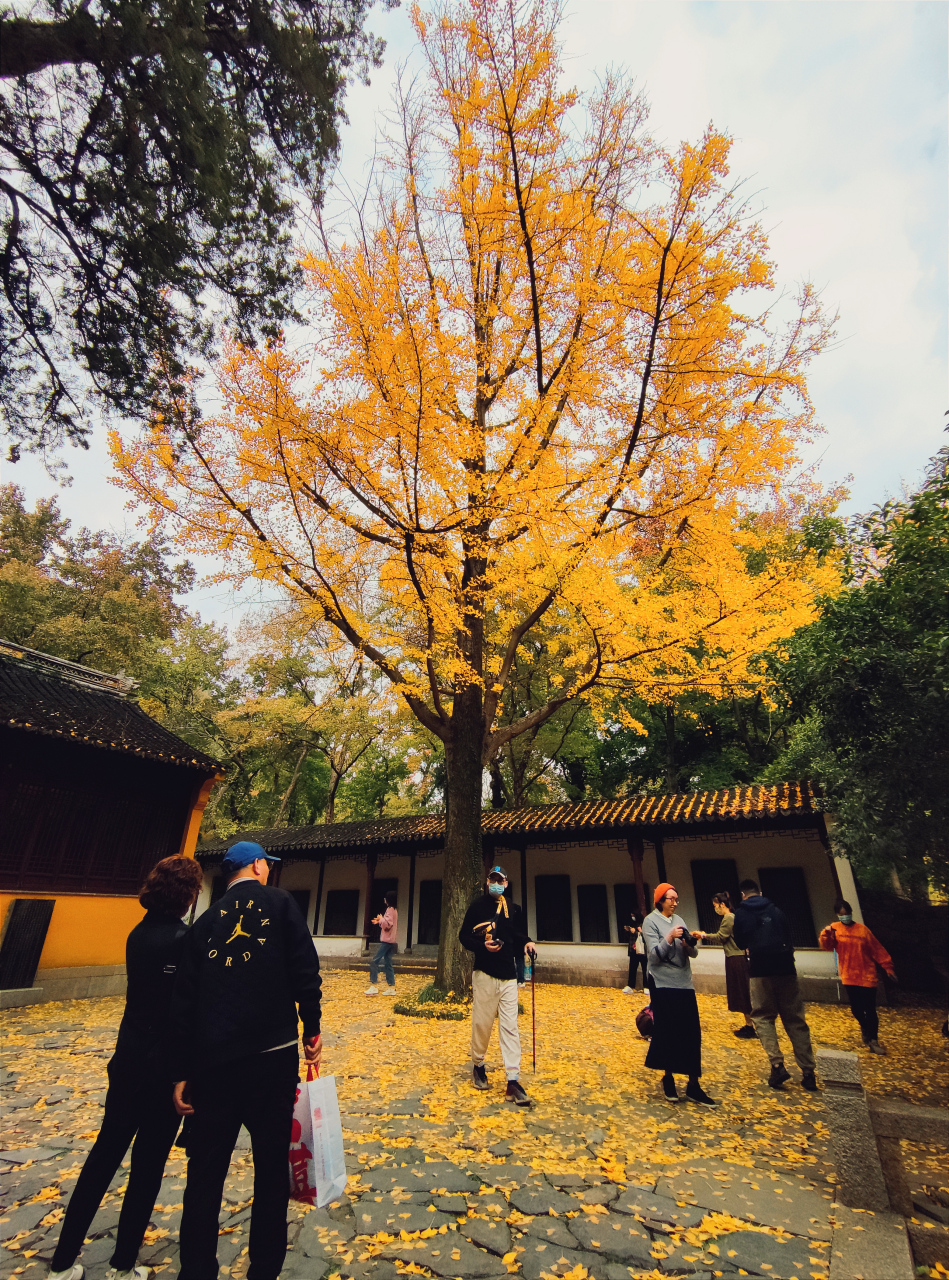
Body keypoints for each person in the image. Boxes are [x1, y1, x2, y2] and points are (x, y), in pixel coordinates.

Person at [48, 855, 204, 1280]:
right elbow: (181, 1018)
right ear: (189, 896)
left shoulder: (138, 934)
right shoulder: (183, 941)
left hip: (127, 1061)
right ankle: (122, 1264)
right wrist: (182, 1074)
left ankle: (61, 1263)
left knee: (102, 1157)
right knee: (147, 1167)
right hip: (162, 1073)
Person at [172, 841, 323, 1280]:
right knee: (272, 1168)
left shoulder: (204, 923)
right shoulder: (280, 904)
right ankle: (264, 1269)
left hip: (212, 1065)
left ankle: (196, 1270)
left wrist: (181, 1070)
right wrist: (310, 1028)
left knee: (204, 1173)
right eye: (267, 864)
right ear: (258, 865)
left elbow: (184, 1000)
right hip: (272, 1060)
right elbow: (305, 971)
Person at [459, 865, 537, 1106]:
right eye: (492, 879)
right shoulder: (477, 907)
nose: (496, 883)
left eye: (500, 880)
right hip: (484, 973)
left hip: (509, 976)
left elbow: (517, 935)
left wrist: (528, 943)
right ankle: (478, 1064)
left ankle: (513, 1079)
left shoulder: (512, 909)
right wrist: (482, 946)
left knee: (511, 1027)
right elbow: (464, 936)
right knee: (482, 1023)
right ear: (487, 881)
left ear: (506, 883)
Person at [733, 878, 817, 1091]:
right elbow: (789, 937)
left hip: (760, 970)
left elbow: (741, 942)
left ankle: (777, 1064)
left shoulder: (741, 914)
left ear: (743, 895)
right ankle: (808, 1071)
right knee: (795, 1019)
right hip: (786, 968)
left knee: (762, 1016)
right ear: (759, 892)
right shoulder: (777, 911)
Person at [641, 883, 717, 1106]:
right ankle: (668, 1078)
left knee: (691, 1032)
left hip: (684, 983)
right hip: (662, 982)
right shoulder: (650, 922)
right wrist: (669, 938)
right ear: (660, 900)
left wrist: (688, 942)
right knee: (667, 1031)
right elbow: (654, 957)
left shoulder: (680, 920)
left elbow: (692, 953)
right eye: (670, 898)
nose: (674, 902)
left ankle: (694, 1084)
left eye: (676, 898)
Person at [819, 901, 896, 1055]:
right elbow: (827, 946)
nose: (844, 916)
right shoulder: (835, 929)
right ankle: (865, 1026)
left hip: (867, 974)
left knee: (870, 1008)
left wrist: (888, 967)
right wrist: (826, 934)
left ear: (851, 912)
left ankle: (873, 1039)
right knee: (856, 1008)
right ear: (837, 915)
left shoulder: (863, 930)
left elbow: (876, 948)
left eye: (846, 913)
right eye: (841, 914)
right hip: (849, 975)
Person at [698, 892, 756, 1038]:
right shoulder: (733, 918)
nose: (715, 908)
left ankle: (751, 1026)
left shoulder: (728, 918)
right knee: (743, 991)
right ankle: (750, 1024)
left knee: (742, 992)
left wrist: (703, 935)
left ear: (722, 904)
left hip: (735, 957)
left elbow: (721, 937)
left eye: (715, 906)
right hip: (737, 956)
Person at [366, 891, 398, 996]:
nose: (384, 899)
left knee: (375, 961)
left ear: (388, 900)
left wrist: (381, 919)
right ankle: (391, 987)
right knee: (388, 963)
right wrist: (380, 920)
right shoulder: (395, 910)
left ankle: (374, 985)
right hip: (391, 941)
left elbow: (388, 925)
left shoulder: (389, 910)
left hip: (386, 941)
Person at [622, 911, 648, 994]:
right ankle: (630, 985)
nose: (632, 917)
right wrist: (628, 931)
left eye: (633, 915)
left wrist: (636, 932)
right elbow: (627, 938)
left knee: (645, 968)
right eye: (631, 915)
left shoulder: (643, 924)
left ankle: (647, 986)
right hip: (633, 950)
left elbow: (645, 936)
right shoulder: (632, 923)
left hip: (642, 950)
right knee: (632, 968)